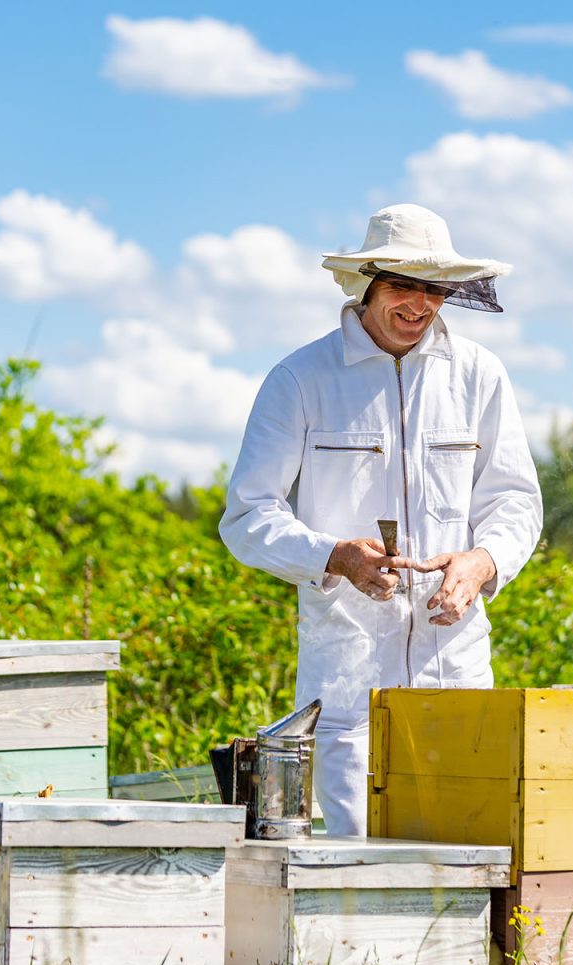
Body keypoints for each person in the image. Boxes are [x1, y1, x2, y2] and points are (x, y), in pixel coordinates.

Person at [219, 204, 543, 835]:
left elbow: (515, 500)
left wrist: (482, 562)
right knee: (356, 862)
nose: (419, 305)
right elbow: (247, 516)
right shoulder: (300, 379)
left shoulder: (480, 376)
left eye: (434, 290)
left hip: (457, 663)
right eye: (402, 286)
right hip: (347, 674)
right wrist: (334, 556)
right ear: (365, 286)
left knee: (466, 845)